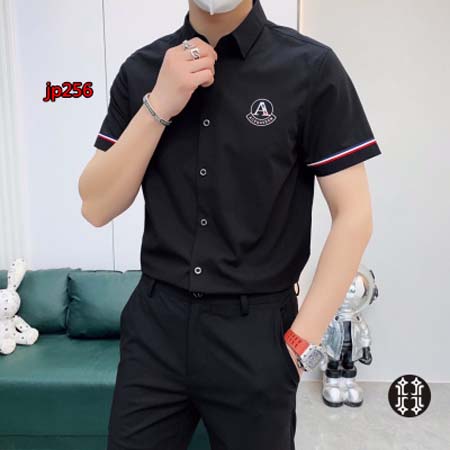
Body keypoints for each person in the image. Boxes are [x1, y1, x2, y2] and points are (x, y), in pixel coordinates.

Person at [78, 0, 382, 448]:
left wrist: (302, 344)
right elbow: (96, 206)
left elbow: (354, 214)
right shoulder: (142, 70)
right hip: (156, 326)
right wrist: (159, 104)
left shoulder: (311, 68)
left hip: (256, 332)